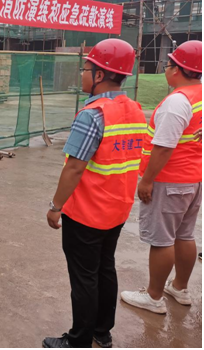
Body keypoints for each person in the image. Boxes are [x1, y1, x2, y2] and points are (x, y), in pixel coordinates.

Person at [43, 39, 146, 349]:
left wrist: (55, 206)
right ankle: (102, 332)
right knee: (105, 268)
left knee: (84, 277)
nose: (82, 74)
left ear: (100, 75)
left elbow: (74, 168)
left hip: (87, 213)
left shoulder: (93, 114)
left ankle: (79, 340)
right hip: (118, 208)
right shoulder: (135, 109)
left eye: (85, 69)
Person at [121, 40, 202, 314]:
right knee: (184, 235)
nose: (166, 69)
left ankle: (153, 297)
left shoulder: (178, 101)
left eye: (168, 65)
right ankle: (179, 287)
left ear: (177, 69)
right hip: (192, 179)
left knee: (162, 240)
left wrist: (147, 180)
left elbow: (164, 146)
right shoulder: (199, 94)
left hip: (169, 180)